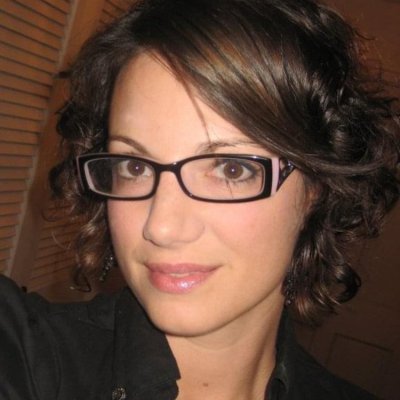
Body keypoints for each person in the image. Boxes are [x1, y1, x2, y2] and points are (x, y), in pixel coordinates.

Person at [0, 0, 399, 399]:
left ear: (317, 186)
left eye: (230, 169)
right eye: (134, 167)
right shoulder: (31, 357)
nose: (161, 227)